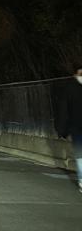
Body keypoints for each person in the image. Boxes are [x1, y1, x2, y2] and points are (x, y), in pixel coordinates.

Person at [56, 64, 82, 192]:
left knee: (80, 155)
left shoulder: (69, 88)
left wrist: (62, 130)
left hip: (76, 127)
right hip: (76, 127)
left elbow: (64, 111)